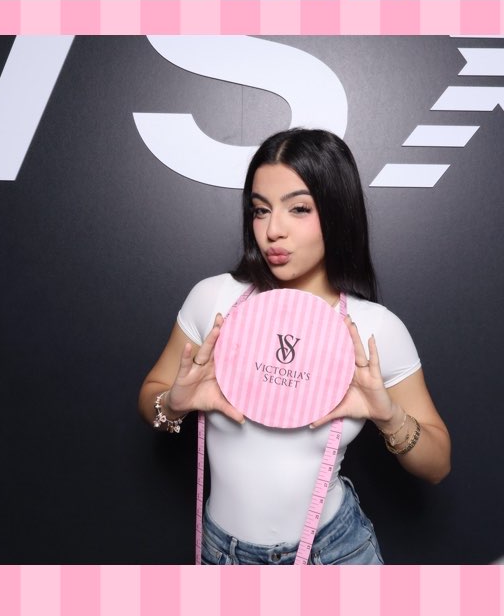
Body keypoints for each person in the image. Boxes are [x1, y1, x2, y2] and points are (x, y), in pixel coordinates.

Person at [138, 128, 451, 564]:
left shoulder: (374, 330)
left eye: (298, 209)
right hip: (221, 554)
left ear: (337, 212)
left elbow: (437, 467)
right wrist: (174, 404)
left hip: (334, 555)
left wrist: (388, 415)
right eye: (260, 210)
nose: (272, 231)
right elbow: (151, 396)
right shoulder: (214, 300)